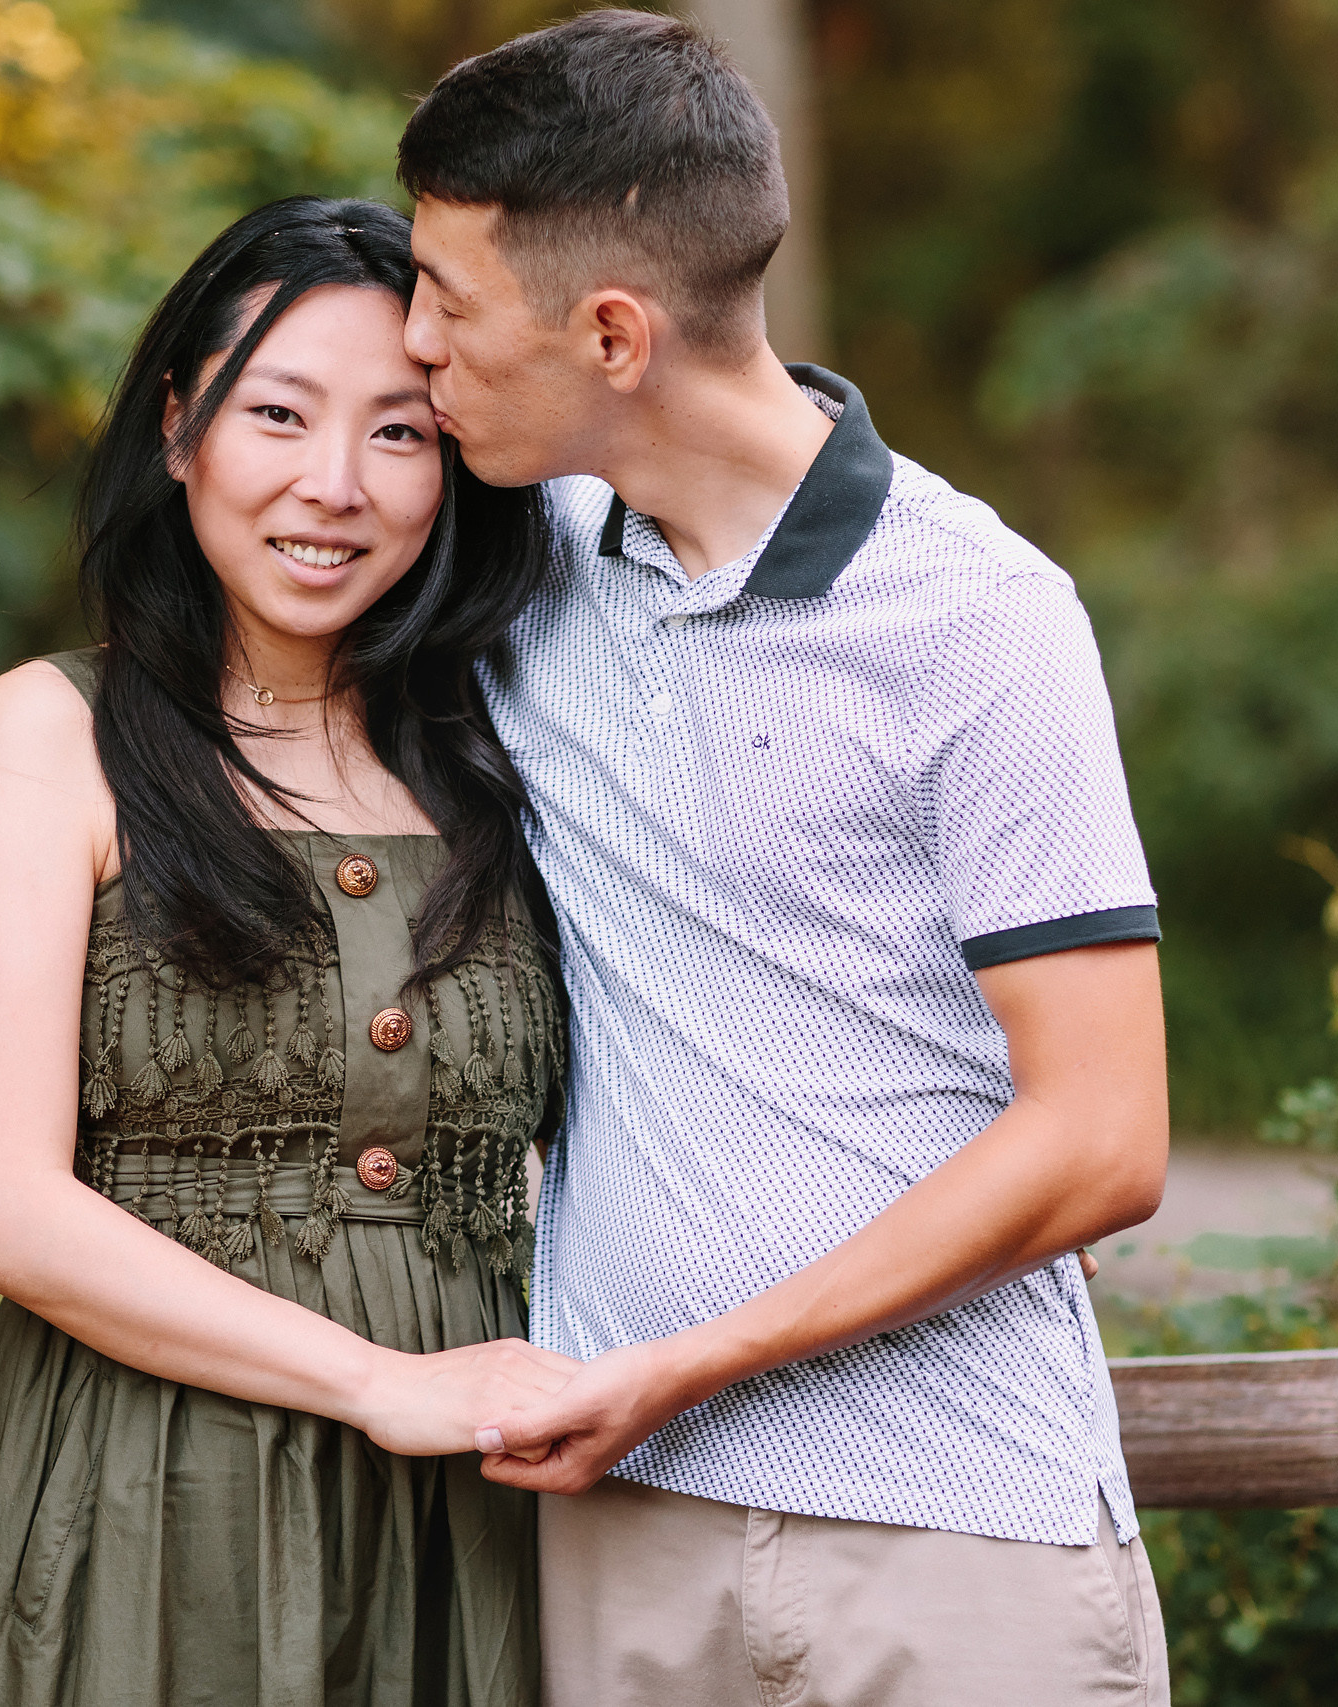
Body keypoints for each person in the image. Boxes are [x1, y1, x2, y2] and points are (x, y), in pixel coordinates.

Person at [392, 12, 1174, 1705]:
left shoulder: (979, 617)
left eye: (447, 300)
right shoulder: (522, 565)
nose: (414, 343)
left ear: (613, 333)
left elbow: (1104, 1140)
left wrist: (686, 1362)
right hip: (622, 1530)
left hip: (955, 1533)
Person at [0, 196, 571, 1707]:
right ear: (179, 427)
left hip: (467, 1526)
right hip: (146, 1509)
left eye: (399, 433)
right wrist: (379, 1382)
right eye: (278, 413)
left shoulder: (513, 753)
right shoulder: (48, 737)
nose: (335, 485)